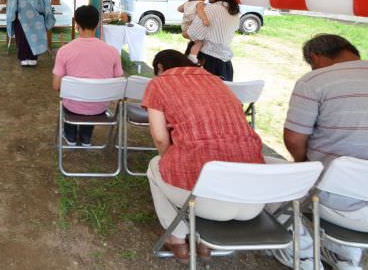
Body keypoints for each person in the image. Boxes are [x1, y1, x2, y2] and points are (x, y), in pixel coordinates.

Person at [142, 49, 264, 263]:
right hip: (253, 199)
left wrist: (168, 158)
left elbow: (160, 138)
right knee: (213, 167)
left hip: (205, 199)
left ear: (160, 67)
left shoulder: (159, 83)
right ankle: (206, 244)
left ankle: (177, 239)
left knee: (156, 165)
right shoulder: (216, 81)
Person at [271, 34, 368, 270]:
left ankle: (303, 255)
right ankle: (346, 256)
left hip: (338, 200)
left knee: (267, 178)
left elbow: (294, 138)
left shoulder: (315, 81)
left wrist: (303, 165)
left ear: (315, 57)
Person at [52, 5, 123, 146]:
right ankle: (86, 137)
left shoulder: (65, 51)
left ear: (76, 24)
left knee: (74, 101)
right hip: (100, 107)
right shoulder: (112, 51)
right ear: (97, 24)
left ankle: (70, 136)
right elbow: (118, 84)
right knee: (93, 98)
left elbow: (56, 86)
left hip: (72, 106)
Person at [185, 0, 240, 81]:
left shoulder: (210, 9)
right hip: (225, 64)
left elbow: (193, 34)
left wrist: (185, 29)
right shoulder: (235, 12)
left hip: (207, 61)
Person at [6, 0, 55, 67]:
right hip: (36, 12)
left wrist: (12, 12)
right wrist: (43, 11)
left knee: (22, 35)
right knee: (35, 35)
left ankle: (23, 58)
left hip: (21, 12)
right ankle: (33, 58)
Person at [178, 0, 209, 64]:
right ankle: (192, 56)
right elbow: (200, 11)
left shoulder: (187, 3)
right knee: (199, 43)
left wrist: (188, 5)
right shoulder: (200, 3)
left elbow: (179, 9)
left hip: (184, 27)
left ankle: (192, 55)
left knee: (196, 42)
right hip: (191, 28)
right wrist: (205, 19)